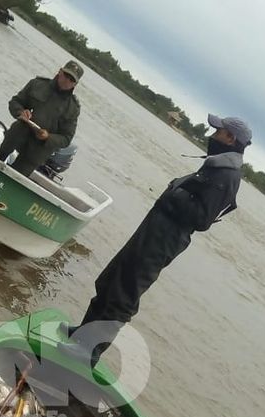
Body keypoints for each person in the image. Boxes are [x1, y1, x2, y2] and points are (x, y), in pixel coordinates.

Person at [64, 113, 252, 365]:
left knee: (126, 292)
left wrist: (175, 192)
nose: (212, 135)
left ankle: (90, 352)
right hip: (156, 228)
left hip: (166, 237)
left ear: (230, 138)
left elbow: (202, 219)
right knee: (111, 279)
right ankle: (83, 334)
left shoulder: (228, 175)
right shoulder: (218, 165)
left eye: (218, 131)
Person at [0, 61, 83, 176]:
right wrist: (21, 112)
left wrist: (48, 137)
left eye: (71, 80)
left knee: (16, 176)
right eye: (66, 75)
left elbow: (66, 138)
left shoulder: (73, 108)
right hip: (18, 134)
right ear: (60, 71)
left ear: (75, 84)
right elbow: (15, 102)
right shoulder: (37, 84)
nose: (67, 81)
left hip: (38, 149)